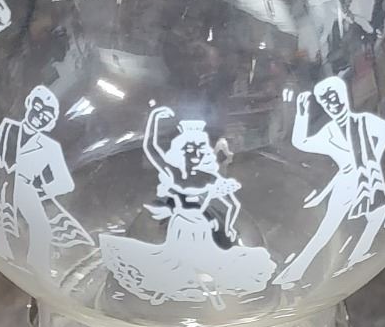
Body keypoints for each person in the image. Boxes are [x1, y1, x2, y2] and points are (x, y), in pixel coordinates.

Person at [99, 106, 275, 307]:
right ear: (180, 152)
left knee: (204, 263)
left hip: (200, 227)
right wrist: (154, 118)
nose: (195, 154)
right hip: (179, 225)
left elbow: (231, 205)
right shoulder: (174, 174)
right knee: (176, 263)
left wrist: (227, 228)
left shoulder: (209, 177)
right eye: (189, 150)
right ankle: (163, 291)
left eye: (199, 149)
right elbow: (151, 148)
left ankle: (212, 296)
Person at [0, 80, 91, 277]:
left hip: (25, 188)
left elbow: (65, 183)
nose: (39, 118)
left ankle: (37, 267)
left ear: (49, 123)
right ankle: (6, 255)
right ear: (29, 105)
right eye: (37, 109)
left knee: (41, 228)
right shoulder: (9, 128)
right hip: (1, 182)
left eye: (45, 117)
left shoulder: (49, 147)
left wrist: (44, 190)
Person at [274, 76, 385, 288]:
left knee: (377, 214)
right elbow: (302, 142)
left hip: (368, 178)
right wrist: (302, 114)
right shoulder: (330, 132)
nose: (332, 105)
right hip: (346, 183)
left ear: (344, 97)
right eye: (326, 102)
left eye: (334, 98)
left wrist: (373, 158)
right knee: (327, 228)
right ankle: (296, 270)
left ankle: (358, 254)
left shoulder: (364, 121)